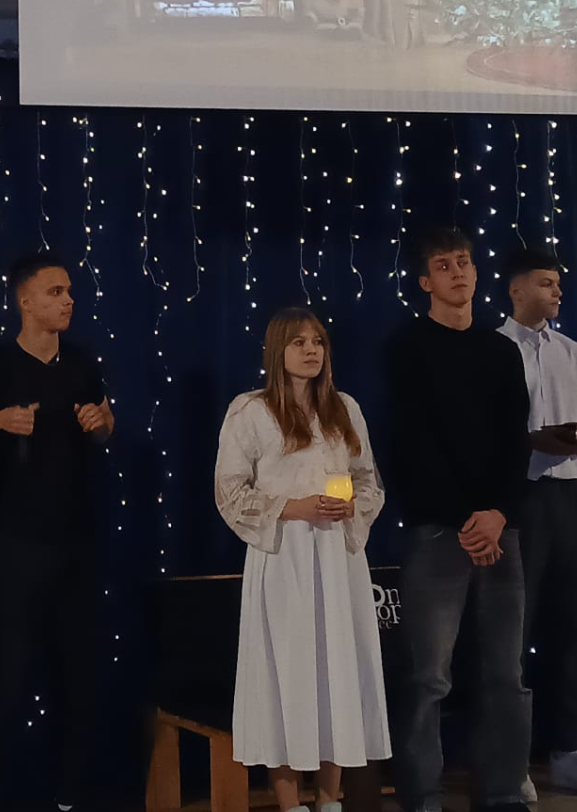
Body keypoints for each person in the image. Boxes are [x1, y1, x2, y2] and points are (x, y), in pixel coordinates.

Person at [215, 307, 391, 812]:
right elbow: (229, 491)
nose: (311, 350)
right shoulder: (250, 411)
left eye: (318, 341)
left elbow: (367, 480)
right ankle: (291, 803)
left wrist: (352, 506)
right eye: (299, 342)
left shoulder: (344, 408)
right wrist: (293, 507)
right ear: (278, 351)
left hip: (337, 558)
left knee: (336, 670)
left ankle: (330, 799)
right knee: (286, 674)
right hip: (284, 556)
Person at [381, 226, 532, 812]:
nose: (458, 272)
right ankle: (422, 795)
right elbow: (412, 445)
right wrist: (467, 519)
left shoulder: (501, 350)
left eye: (464, 261)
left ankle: (503, 791)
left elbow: (515, 442)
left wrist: (498, 514)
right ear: (425, 281)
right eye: (443, 265)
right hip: (438, 530)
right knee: (429, 677)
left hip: (499, 530)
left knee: (505, 673)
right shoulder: (407, 348)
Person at [0, 251, 115, 812]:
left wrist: (102, 422)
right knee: (9, 678)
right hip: (14, 543)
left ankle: (69, 797)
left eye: (69, 291)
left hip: (77, 542)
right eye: (55, 292)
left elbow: (106, 420)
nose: (68, 300)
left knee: (80, 677)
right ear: (25, 301)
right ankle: (0, 796)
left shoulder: (82, 363)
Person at [497, 250, 577, 799]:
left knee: (569, 627)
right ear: (517, 290)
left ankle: (570, 751)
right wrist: (526, 441)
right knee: (512, 633)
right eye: (546, 283)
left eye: (559, 284)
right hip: (516, 493)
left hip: (568, 492)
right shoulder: (494, 349)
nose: (557, 292)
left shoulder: (575, 353)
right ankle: (509, 760)